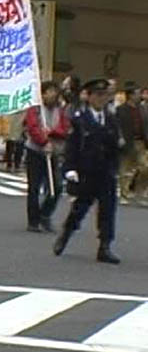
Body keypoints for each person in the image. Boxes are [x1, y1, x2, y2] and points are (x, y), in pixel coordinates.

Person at [54, 78, 122, 264]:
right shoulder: (79, 120)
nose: (102, 99)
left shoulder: (111, 119)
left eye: (105, 95)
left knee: (108, 210)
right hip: (86, 172)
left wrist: (116, 167)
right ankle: (66, 234)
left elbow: (116, 146)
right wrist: (69, 169)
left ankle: (105, 246)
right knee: (79, 209)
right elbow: (72, 147)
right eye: (98, 95)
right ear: (89, 96)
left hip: (106, 172)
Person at [24, 81, 70, 233]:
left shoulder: (60, 110)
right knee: (34, 187)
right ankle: (33, 221)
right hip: (35, 152)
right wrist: (43, 141)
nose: (52, 94)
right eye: (49, 91)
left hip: (54, 151)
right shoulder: (35, 110)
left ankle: (45, 214)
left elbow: (64, 128)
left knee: (56, 187)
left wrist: (51, 133)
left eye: (54, 91)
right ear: (42, 94)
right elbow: (32, 128)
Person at [115, 82, 148, 202]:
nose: (140, 95)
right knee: (125, 169)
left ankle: (140, 191)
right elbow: (117, 126)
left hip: (141, 142)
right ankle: (124, 193)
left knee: (145, 167)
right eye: (137, 93)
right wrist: (120, 138)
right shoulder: (120, 110)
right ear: (131, 95)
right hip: (127, 142)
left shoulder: (142, 109)